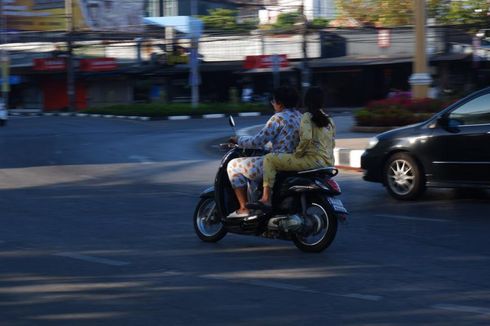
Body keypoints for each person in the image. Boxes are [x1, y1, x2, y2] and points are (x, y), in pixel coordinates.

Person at [252, 87, 336, 208]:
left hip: (311, 161)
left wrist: (298, 153)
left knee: (269, 159)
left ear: (306, 101)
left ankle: (266, 198)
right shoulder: (330, 120)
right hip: (328, 163)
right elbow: (332, 143)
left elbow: (306, 138)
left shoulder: (307, 116)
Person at [226, 86, 302, 218]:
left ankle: (244, 208)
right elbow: (286, 143)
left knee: (233, 165)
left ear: (279, 103)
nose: (273, 104)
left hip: (277, 163)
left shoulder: (278, 118)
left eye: (273, 101)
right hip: (295, 162)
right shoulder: (300, 117)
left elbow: (257, 141)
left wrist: (238, 140)